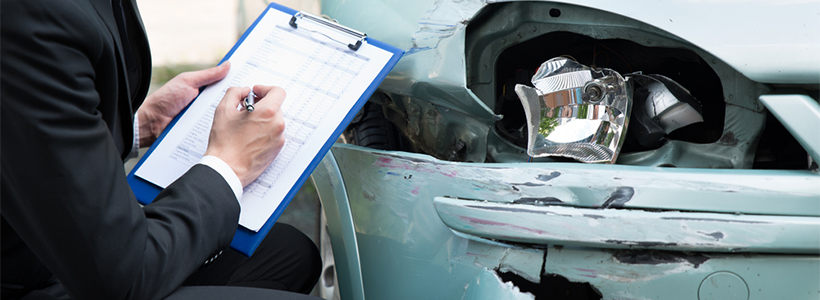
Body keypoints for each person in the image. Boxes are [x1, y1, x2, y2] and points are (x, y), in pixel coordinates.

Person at [1, 0, 321, 299]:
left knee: (291, 251)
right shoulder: (32, 21)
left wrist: (141, 125)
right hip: (40, 275)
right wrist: (229, 165)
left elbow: (25, 132)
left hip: (38, 245)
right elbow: (125, 275)